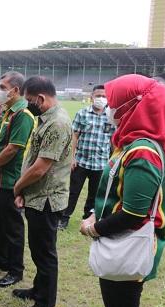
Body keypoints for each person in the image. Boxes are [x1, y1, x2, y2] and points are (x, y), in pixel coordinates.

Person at [80, 74, 165, 307]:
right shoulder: (131, 143)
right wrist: (96, 211)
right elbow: (115, 191)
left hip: (127, 243)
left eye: (113, 101)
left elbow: (133, 213)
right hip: (119, 237)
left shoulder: (143, 151)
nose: (108, 107)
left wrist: (94, 228)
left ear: (132, 106)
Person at [11, 76, 72, 307]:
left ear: (41, 98)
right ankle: (38, 290)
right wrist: (25, 192)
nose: (28, 105)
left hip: (47, 199)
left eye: (29, 100)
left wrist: (17, 187)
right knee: (38, 250)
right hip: (38, 196)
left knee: (45, 254)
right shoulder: (47, 119)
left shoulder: (57, 123)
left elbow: (40, 167)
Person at [0, 71, 35, 288]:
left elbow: (13, 148)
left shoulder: (23, 115)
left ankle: (15, 269)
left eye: (3, 87)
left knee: (12, 226)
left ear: (16, 90)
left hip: (10, 180)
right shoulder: (7, 112)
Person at [59, 85, 114, 230]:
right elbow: (74, 136)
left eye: (103, 96)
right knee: (72, 192)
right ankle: (64, 218)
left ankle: (87, 218)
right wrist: (72, 158)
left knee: (95, 194)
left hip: (101, 163)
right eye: (98, 96)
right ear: (92, 97)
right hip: (81, 161)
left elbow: (114, 140)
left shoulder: (111, 117)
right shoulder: (82, 113)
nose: (100, 99)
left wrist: (112, 160)